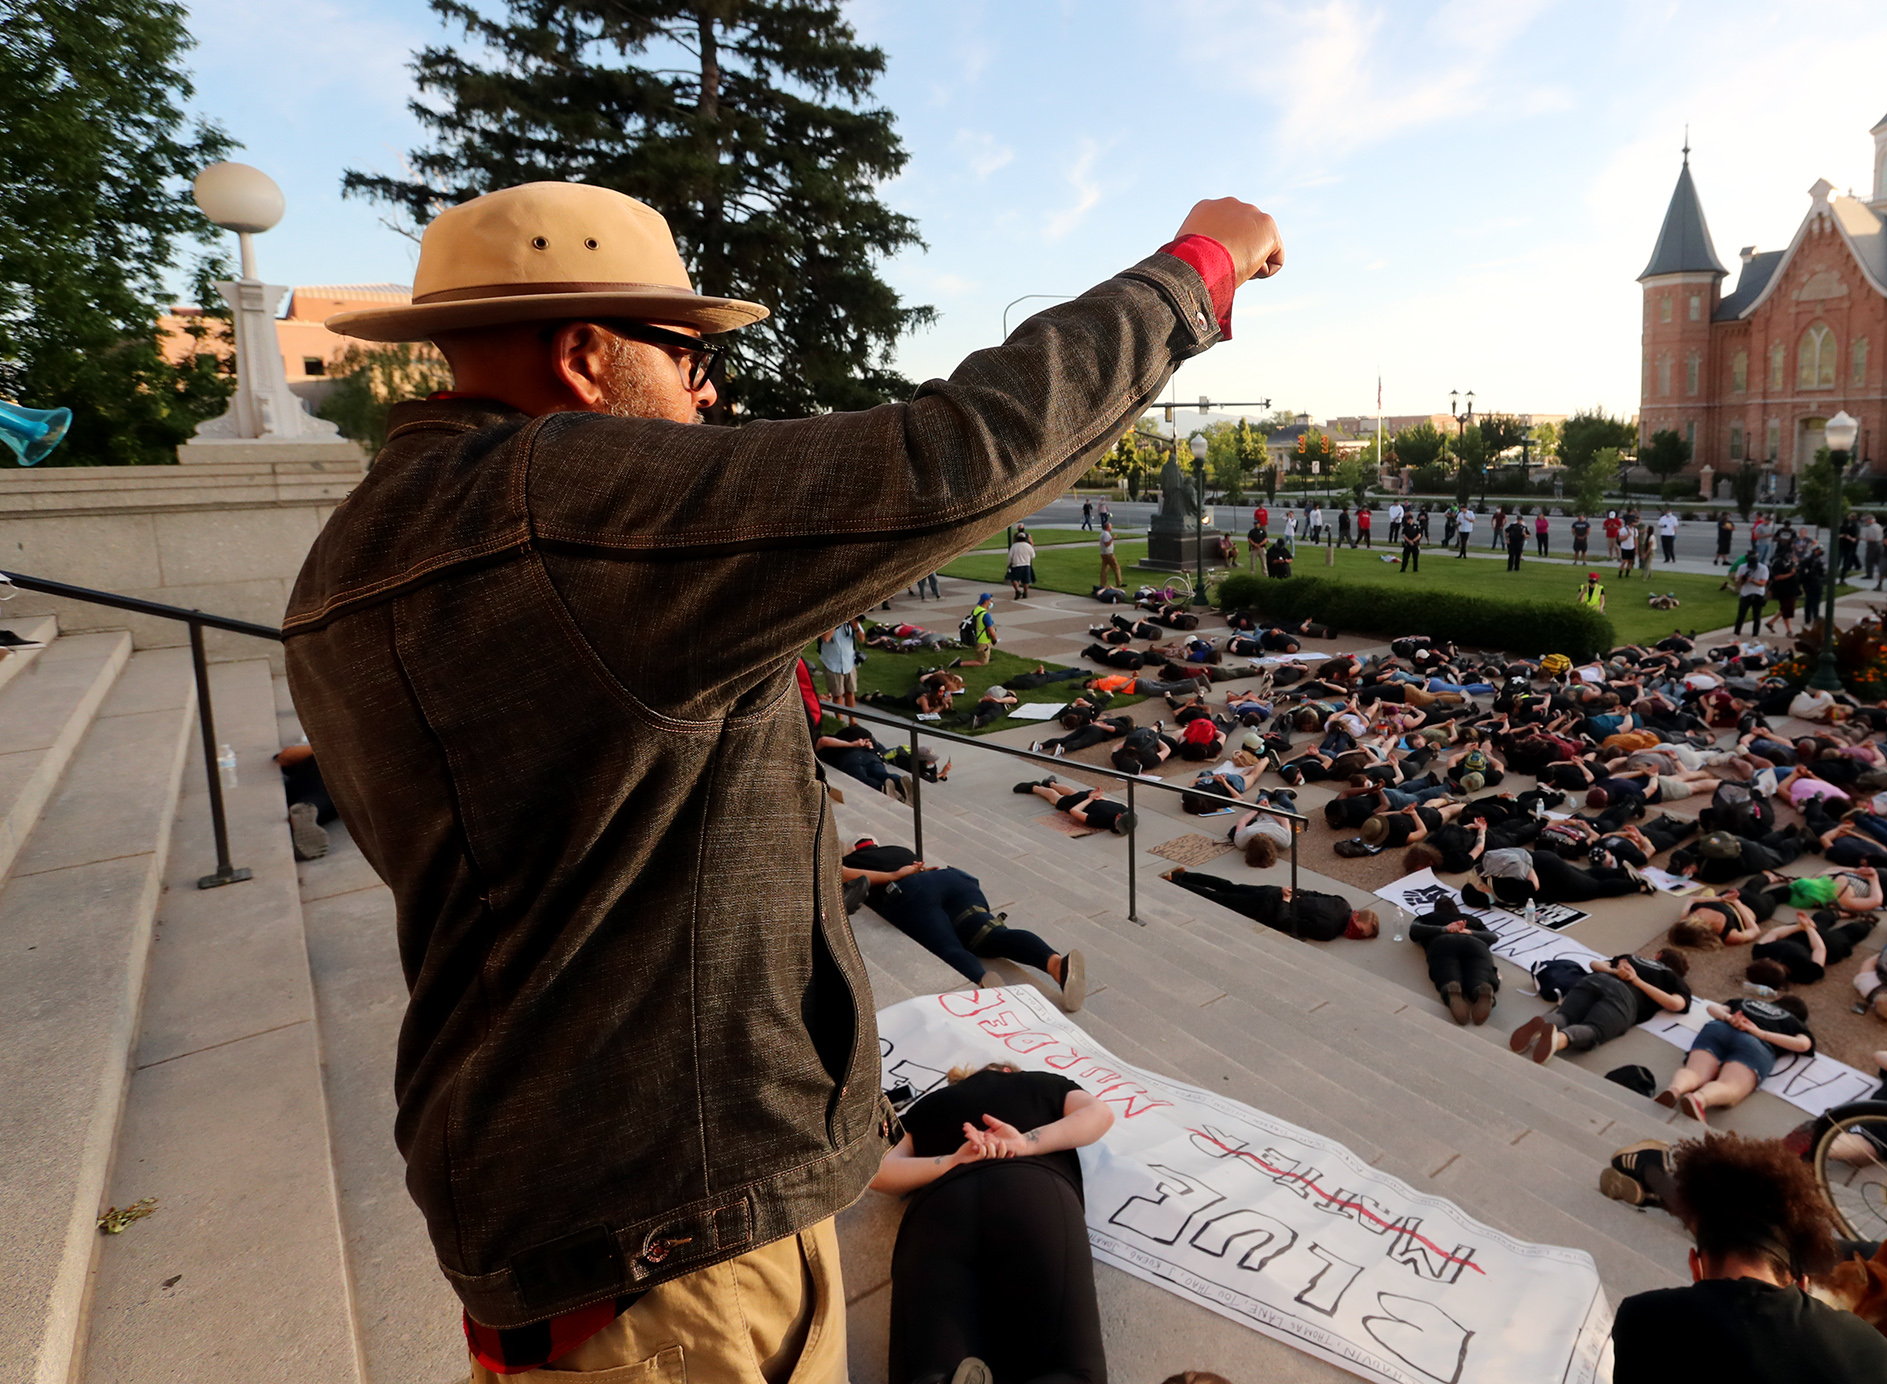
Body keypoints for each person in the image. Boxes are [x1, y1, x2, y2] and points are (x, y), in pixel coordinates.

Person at [286, 179, 1281, 1375]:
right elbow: (953, 457)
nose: (712, 389)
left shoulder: (347, 556)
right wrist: (1197, 270)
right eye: (690, 353)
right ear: (586, 356)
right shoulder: (568, 507)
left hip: (546, 1173)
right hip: (675, 1223)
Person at [872, 1063, 1114, 1384]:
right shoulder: (1042, 1083)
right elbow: (1100, 1114)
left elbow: (877, 1171)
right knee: (1072, 1371)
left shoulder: (928, 1106)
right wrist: (1025, 1143)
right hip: (1031, 1190)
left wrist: (953, 1161)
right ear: (1008, 1070)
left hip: (941, 1206)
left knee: (931, 1372)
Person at [1609, 1132, 1887, 1384]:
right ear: (1800, 1282)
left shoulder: (1642, 1320)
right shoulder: (1875, 1356)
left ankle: (1648, 1172)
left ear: (1695, 1266)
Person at [843, 843, 1087, 1006]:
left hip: (908, 892)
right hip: (953, 880)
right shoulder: (897, 849)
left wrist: (893, 876)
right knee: (991, 934)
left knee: (948, 946)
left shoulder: (847, 859)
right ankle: (1055, 964)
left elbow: (843, 873)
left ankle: (983, 981)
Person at [1510, 951, 1692, 1063]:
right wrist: (1637, 982)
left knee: (1566, 1016)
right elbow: (1675, 1004)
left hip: (1594, 981)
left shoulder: (1630, 959)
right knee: (1595, 1029)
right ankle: (1559, 1040)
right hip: (1625, 999)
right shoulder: (1673, 978)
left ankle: (1543, 1023)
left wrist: (1616, 972)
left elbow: (1594, 964)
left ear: (1658, 955)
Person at [1660, 996, 1813, 1120]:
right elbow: (1803, 1044)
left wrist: (1728, 1018)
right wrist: (1762, 1034)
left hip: (1720, 1029)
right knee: (1730, 1085)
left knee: (1695, 1072)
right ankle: (1700, 1098)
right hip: (1756, 1045)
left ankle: (1676, 1088)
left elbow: (1711, 1008)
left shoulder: (1746, 1001)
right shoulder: (1794, 1022)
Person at [1165, 867, 1379, 940]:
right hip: (1270, 902)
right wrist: (1292, 894)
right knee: (1225, 892)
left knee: (1225, 892)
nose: (1356, 934)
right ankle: (1181, 879)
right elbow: (1310, 897)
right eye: (1360, 930)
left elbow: (1286, 921)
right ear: (1357, 916)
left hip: (1270, 902)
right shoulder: (1334, 919)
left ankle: (1181, 879)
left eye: (1362, 935)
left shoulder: (1337, 914)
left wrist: (1289, 896)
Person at [1409, 894, 1498, 1025]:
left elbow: (1414, 930)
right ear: (1457, 910)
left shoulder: (1428, 918)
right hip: (1474, 943)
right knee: (1479, 970)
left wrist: (1445, 929)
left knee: (1445, 968)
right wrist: (1468, 932)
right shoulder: (1471, 919)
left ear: (1436, 910)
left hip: (1442, 942)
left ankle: (1451, 987)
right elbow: (1492, 937)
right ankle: (1480, 989)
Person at [813, 616, 864, 708]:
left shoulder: (851, 619)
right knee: (837, 694)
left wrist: (855, 626)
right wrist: (836, 623)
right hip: (832, 663)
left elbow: (862, 639)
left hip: (849, 662)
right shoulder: (827, 622)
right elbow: (826, 638)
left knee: (850, 692)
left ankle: (852, 720)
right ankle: (840, 721)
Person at [960, 592, 1001, 666]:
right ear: (986, 601)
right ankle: (960, 663)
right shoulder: (986, 615)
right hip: (982, 641)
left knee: (983, 655)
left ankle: (986, 656)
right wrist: (994, 640)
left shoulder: (976, 610)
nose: (991, 603)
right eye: (991, 601)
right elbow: (991, 632)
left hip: (975, 637)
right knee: (983, 662)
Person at [1096, 519, 1123, 589]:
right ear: (1108, 528)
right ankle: (1119, 582)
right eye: (1110, 527)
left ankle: (1102, 584)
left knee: (1104, 569)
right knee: (1116, 567)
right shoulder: (1106, 534)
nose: (1111, 528)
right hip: (1108, 554)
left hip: (1103, 553)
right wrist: (1113, 538)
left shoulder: (1103, 533)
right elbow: (1107, 544)